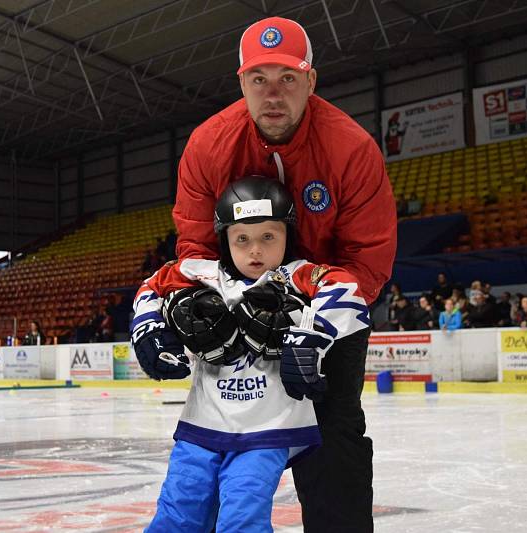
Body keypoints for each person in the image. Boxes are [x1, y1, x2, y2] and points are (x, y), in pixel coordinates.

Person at [170, 17, 397, 530]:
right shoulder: (208, 146)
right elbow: (195, 246)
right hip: (235, 312)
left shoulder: (353, 150)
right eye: (259, 80)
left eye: (287, 79)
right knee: (212, 447)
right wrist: (195, 310)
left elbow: (368, 262)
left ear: (311, 80)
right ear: (241, 83)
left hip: (326, 311)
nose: (272, 94)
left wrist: (314, 331)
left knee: (334, 440)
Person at [131, 178, 370, 532]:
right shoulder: (202, 274)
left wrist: (311, 338)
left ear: (287, 235)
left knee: (242, 520)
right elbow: (152, 284)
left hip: (266, 432)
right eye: (242, 238)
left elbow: (349, 292)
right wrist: (147, 327)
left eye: (268, 237)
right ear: (225, 239)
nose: (255, 250)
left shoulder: (298, 275)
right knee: (176, 515)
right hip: (201, 426)